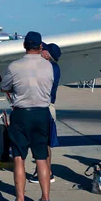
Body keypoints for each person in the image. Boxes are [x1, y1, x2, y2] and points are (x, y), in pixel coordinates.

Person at [0, 31, 54, 201]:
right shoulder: (48, 67)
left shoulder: (15, 66)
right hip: (42, 113)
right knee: (42, 158)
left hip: (21, 114)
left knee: (18, 157)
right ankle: (46, 200)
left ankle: (20, 200)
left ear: (24, 45)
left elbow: (5, 86)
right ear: (40, 47)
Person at [29, 43, 61, 185]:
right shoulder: (54, 68)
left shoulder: (48, 68)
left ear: (48, 55)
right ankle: (46, 171)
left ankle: (45, 172)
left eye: (43, 50)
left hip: (44, 107)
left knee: (41, 142)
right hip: (48, 107)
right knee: (45, 142)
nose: (40, 51)